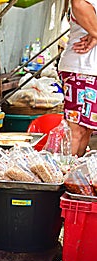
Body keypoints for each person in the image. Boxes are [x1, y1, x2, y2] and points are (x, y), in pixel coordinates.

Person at [58, 0, 97, 156]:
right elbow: (79, 4)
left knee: (86, 130)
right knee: (76, 131)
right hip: (82, 68)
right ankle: (62, 176)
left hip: (91, 69)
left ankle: (73, 176)